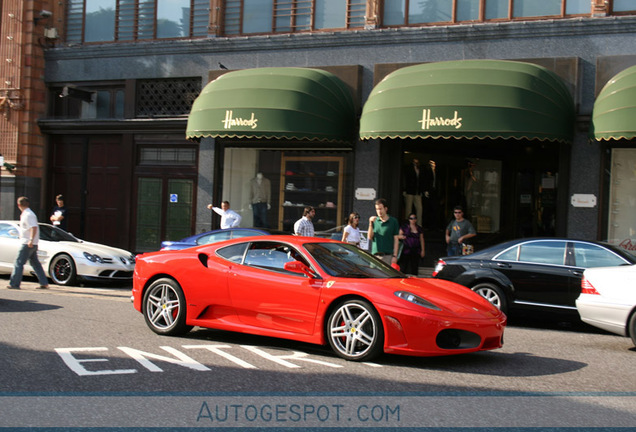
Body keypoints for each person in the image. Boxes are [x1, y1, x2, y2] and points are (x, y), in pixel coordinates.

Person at [8, 197, 49, 290]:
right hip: (32, 243)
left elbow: (33, 227)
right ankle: (44, 282)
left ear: (18, 205)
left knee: (18, 263)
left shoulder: (28, 215)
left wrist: (31, 239)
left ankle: (14, 283)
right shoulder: (28, 214)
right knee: (35, 263)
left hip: (27, 243)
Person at [367, 198, 400, 266]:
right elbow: (370, 237)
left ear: (385, 209)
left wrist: (395, 256)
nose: (379, 211)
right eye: (377, 209)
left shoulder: (393, 221)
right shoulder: (374, 221)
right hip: (375, 256)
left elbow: (396, 239)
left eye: (380, 209)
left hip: (387, 256)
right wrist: (370, 223)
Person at [403, 158, 425, 226]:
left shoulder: (420, 168)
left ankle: (419, 225)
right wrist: (404, 189)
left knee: (419, 209)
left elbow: (421, 180)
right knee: (408, 209)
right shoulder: (408, 168)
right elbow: (405, 178)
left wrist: (422, 190)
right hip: (409, 191)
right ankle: (407, 225)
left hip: (417, 191)